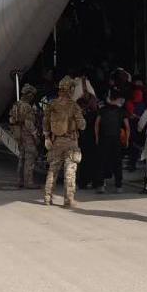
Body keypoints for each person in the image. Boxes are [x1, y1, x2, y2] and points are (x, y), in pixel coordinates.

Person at [42, 76, 86, 208]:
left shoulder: (51, 104)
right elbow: (82, 125)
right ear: (70, 89)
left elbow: (45, 122)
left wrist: (47, 137)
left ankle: (47, 198)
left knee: (52, 170)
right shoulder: (73, 106)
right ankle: (68, 200)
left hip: (56, 141)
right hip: (70, 142)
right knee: (70, 171)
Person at [94, 91, 129, 193]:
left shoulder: (102, 110)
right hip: (116, 140)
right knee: (117, 163)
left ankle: (100, 186)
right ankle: (119, 186)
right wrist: (126, 140)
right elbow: (127, 127)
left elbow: (96, 124)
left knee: (101, 162)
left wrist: (96, 137)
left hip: (103, 139)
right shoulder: (121, 111)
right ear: (117, 99)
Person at [8, 84, 40, 189]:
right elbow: (29, 123)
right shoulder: (27, 106)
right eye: (32, 95)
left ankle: (20, 180)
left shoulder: (16, 105)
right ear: (29, 94)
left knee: (21, 157)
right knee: (30, 157)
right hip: (27, 135)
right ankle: (28, 182)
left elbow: (11, 120)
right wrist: (35, 135)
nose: (32, 97)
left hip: (18, 134)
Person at [76, 93, 100, 190]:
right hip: (92, 141)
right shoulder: (95, 114)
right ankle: (93, 182)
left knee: (84, 162)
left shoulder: (83, 115)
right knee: (93, 162)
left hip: (85, 141)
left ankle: (84, 182)